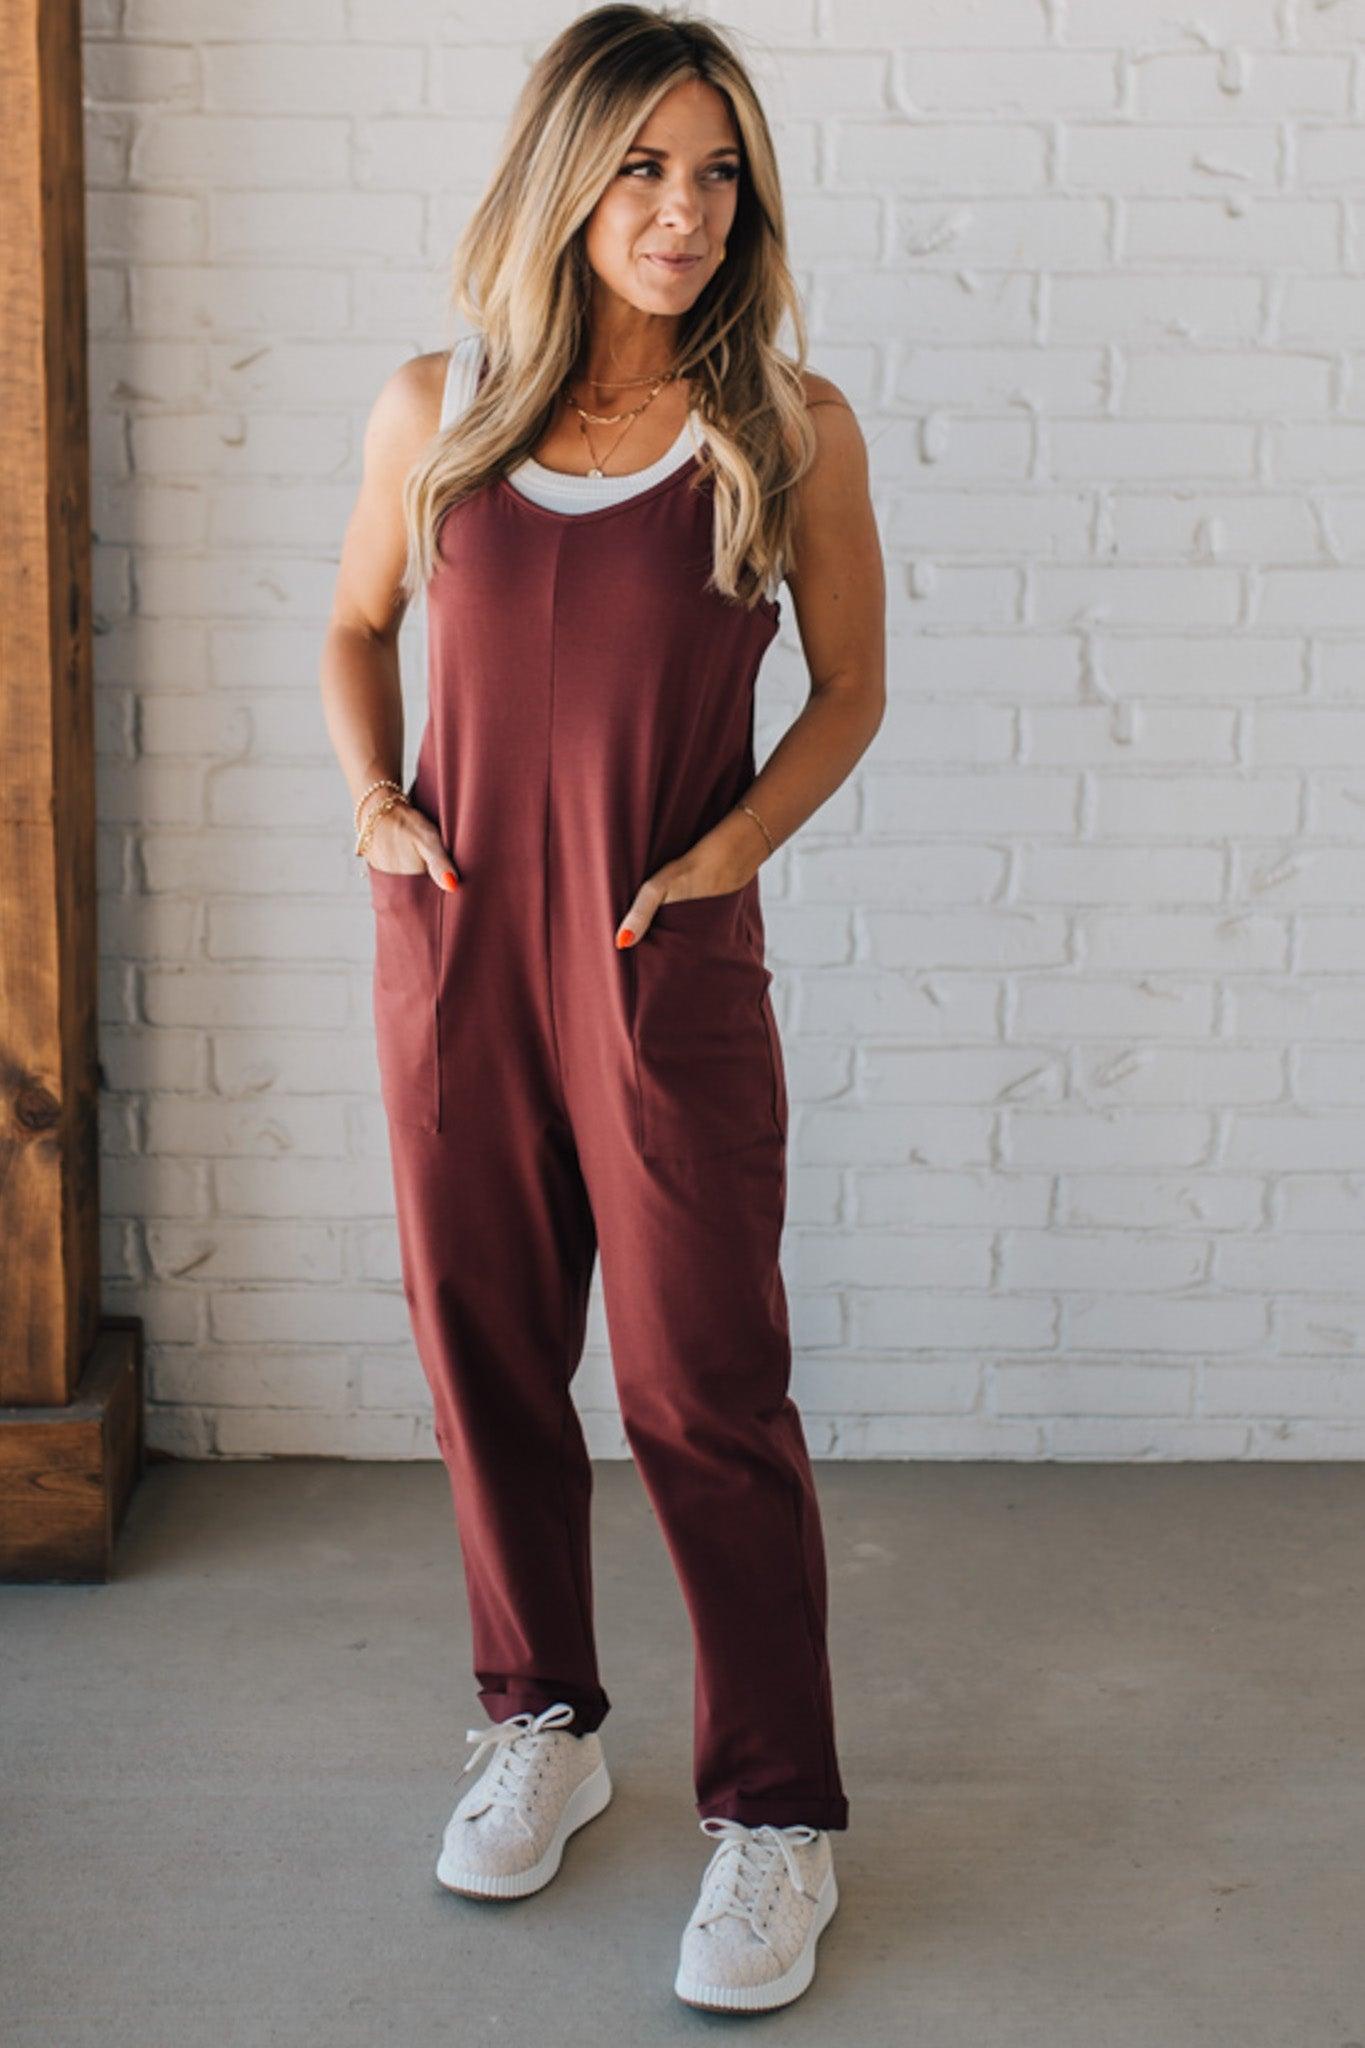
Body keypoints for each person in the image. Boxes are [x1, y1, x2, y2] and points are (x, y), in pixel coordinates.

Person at [319, 4, 884, 2015]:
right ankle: (538, 1716)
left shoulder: (779, 426)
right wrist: (375, 801)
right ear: (563, 177)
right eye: (642, 165)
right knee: (483, 1353)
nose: (682, 208)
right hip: (456, 956)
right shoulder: (434, 407)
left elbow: (846, 688)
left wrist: (727, 854)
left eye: (716, 170)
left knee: (697, 1390)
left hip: (661, 970)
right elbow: (356, 618)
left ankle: (775, 1816)